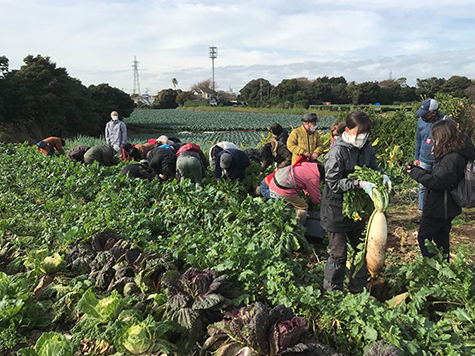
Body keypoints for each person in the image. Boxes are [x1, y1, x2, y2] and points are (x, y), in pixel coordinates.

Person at [320, 111, 391, 294]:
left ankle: (357, 290)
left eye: (366, 134)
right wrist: (359, 184)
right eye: (359, 133)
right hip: (336, 209)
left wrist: (382, 175)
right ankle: (332, 293)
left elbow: (374, 167)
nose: (363, 137)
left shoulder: (367, 148)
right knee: (338, 254)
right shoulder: (337, 152)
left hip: (358, 210)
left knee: (363, 250)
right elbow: (333, 183)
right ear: (348, 130)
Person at [407, 120, 475, 261]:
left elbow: (437, 183)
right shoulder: (455, 153)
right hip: (447, 205)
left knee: (424, 237)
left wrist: (416, 174)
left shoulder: (451, 158)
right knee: (441, 239)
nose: (433, 140)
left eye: (435, 137)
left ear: (443, 137)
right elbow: (440, 177)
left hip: (440, 206)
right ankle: (442, 270)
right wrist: (418, 170)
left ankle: (433, 267)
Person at [412, 99, 452, 223]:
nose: (423, 115)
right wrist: (416, 157)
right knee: (423, 186)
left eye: (426, 113)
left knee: (441, 185)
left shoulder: (446, 121)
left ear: (434, 113)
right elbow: (418, 140)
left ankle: (440, 212)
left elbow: (453, 141)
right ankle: (421, 211)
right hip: (424, 159)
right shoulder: (421, 121)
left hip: (441, 160)